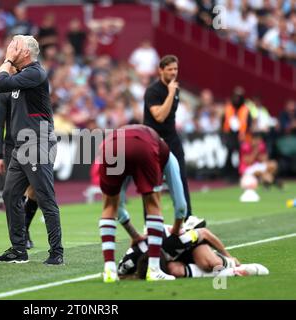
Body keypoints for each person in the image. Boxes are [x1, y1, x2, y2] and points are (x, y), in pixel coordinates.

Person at [0, 35, 63, 265]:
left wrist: (8, 61)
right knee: (10, 194)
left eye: (15, 45)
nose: (10, 47)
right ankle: (19, 249)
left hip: (37, 142)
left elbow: (1, 82)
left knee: (45, 197)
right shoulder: (20, 75)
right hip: (21, 146)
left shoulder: (35, 73)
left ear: (26, 52)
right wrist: (9, 61)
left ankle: (57, 252)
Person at [98, 124, 185, 283]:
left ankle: (109, 270)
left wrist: (135, 235)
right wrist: (176, 230)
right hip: (142, 144)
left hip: (110, 143)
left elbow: (119, 207)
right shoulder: (166, 154)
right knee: (153, 203)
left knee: (109, 205)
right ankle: (154, 270)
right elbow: (180, 205)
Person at [143, 55, 203, 227]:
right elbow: (159, 116)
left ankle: (188, 217)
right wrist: (170, 93)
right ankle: (149, 222)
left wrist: (172, 91)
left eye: (175, 69)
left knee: (180, 177)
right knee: (151, 181)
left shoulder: (175, 89)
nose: (173, 72)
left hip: (171, 138)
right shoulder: (153, 91)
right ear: (161, 70)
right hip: (153, 139)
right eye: (169, 69)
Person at [118, 224, 269, 280]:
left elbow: (205, 233)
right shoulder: (130, 260)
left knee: (212, 264)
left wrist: (229, 255)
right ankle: (234, 273)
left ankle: (231, 265)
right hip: (171, 259)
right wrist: (136, 276)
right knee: (174, 270)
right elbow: (121, 275)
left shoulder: (174, 240)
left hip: (189, 248)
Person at [0, 91, 38, 250]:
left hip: (34, 144)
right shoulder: (4, 93)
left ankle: (24, 228)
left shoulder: (33, 85)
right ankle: (19, 238)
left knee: (35, 192)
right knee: (14, 193)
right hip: (13, 147)